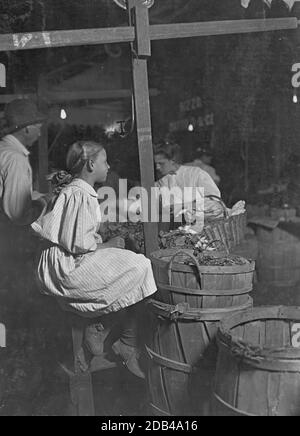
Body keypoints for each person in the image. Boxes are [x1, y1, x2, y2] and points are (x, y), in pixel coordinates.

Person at [31, 140, 157, 378]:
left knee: (125, 262)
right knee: (140, 265)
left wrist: (104, 244)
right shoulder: (80, 193)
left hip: (60, 260)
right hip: (66, 268)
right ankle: (117, 337)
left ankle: (100, 328)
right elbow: (79, 244)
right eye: (104, 161)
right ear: (90, 164)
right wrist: (107, 244)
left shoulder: (77, 189)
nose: (108, 167)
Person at [0, 99, 48, 265]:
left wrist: (35, 195)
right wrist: (44, 202)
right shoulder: (16, 159)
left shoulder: (3, 150)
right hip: (8, 246)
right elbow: (18, 214)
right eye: (39, 129)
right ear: (27, 128)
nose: (40, 134)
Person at [154, 141, 223, 229]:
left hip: (203, 230)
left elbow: (215, 202)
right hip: (174, 232)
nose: (157, 167)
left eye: (161, 163)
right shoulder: (160, 182)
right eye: (156, 163)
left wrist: (184, 206)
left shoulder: (196, 174)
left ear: (173, 161)